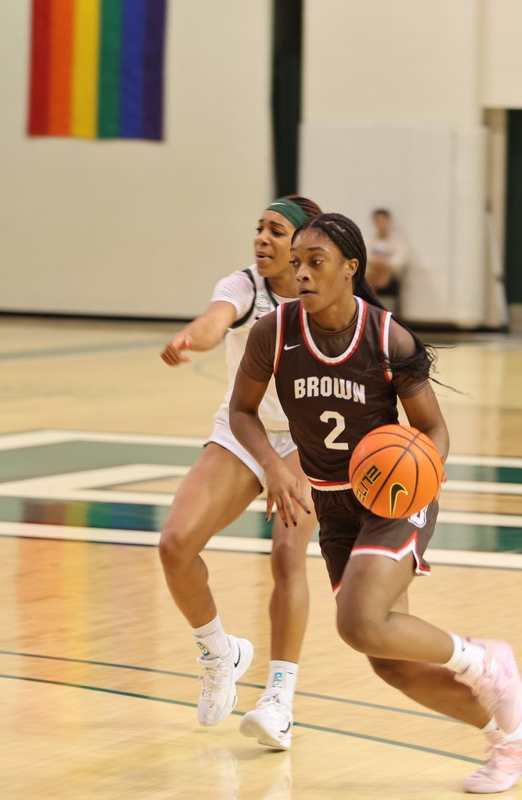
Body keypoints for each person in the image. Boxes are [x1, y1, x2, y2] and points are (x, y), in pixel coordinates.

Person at [230, 212, 522, 794]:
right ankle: (517, 738)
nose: (301, 273)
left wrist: (422, 476)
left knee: (357, 620)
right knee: (389, 659)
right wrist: (276, 467)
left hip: (396, 495)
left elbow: (433, 430)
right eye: (296, 262)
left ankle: (482, 661)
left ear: (351, 268)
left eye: (315, 262)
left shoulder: (386, 337)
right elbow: (242, 412)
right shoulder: (272, 334)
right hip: (332, 506)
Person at [158, 195, 322, 749]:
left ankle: (279, 699)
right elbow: (213, 322)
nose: (262, 238)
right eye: (259, 228)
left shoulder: (324, 296)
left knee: (286, 552)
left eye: (276, 230)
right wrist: (191, 338)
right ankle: (218, 653)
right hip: (244, 425)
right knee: (176, 543)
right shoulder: (245, 286)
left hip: (306, 436)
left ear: (303, 245)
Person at [366, 208, 410, 296]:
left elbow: (400, 261)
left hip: (390, 276)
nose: (380, 224)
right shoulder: (370, 241)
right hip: (373, 271)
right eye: (378, 221)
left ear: (388, 221)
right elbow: (366, 257)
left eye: (383, 221)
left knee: (380, 268)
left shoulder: (397, 242)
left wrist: (384, 262)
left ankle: (372, 297)